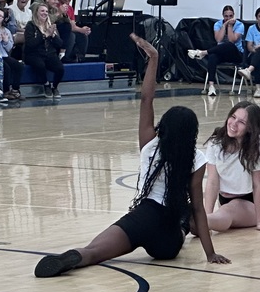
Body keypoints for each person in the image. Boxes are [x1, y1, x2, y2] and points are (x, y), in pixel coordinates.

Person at [34, 35, 230, 277]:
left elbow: (147, 99)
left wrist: (154, 58)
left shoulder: (150, 143)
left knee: (94, 251)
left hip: (142, 217)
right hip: (168, 240)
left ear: (164, 127)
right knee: (186, 218)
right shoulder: (196, 159)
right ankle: (182, 230)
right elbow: (199, 209)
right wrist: (210, 253)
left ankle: (76, 257)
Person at [202, 101, 260, 232]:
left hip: (248, 200)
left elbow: (257, 184)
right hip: (225, 198)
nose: (234, 124)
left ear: (250, 128)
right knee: (225, 210)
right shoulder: (215, 142)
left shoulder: (259, 144)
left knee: (228, 211)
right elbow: (212, 182)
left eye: (241, 122)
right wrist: (208, 213)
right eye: (233, 117)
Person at [187, 5, 245, 97]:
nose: (228, 18)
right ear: (223, 16)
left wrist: (229, 26)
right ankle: (211, 86)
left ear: (233, 15)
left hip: (236, 53)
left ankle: (203, 52)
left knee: (229, 45)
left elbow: (232, 40)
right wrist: (224, 26)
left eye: (230, 16)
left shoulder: (239, 25)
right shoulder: (217, 24)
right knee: (213, 56)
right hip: (221, 52)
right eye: (226, 16)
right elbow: (218, 39)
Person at [24, 2, 65, 98]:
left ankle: (54, 87)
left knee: (60, 68)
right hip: (34, 54)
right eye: (42, 11)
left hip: (49, 54)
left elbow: (60, 44)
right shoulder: (31, 25)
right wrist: (45, 35)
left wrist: (53, 35)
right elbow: (31, 44)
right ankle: (46, 84)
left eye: (46, 11)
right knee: (40, 65)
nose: (45, 13)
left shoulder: (50, 25)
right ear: (36, 13)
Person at [0, 8, 24, 100]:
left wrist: (5, 41)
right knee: (6, 68)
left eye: (0, 16)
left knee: (19, 66)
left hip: (4, 55)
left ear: (4, 19)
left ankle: (15, 89)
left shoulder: (7, 31)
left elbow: (9, 48)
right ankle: (6, 91)